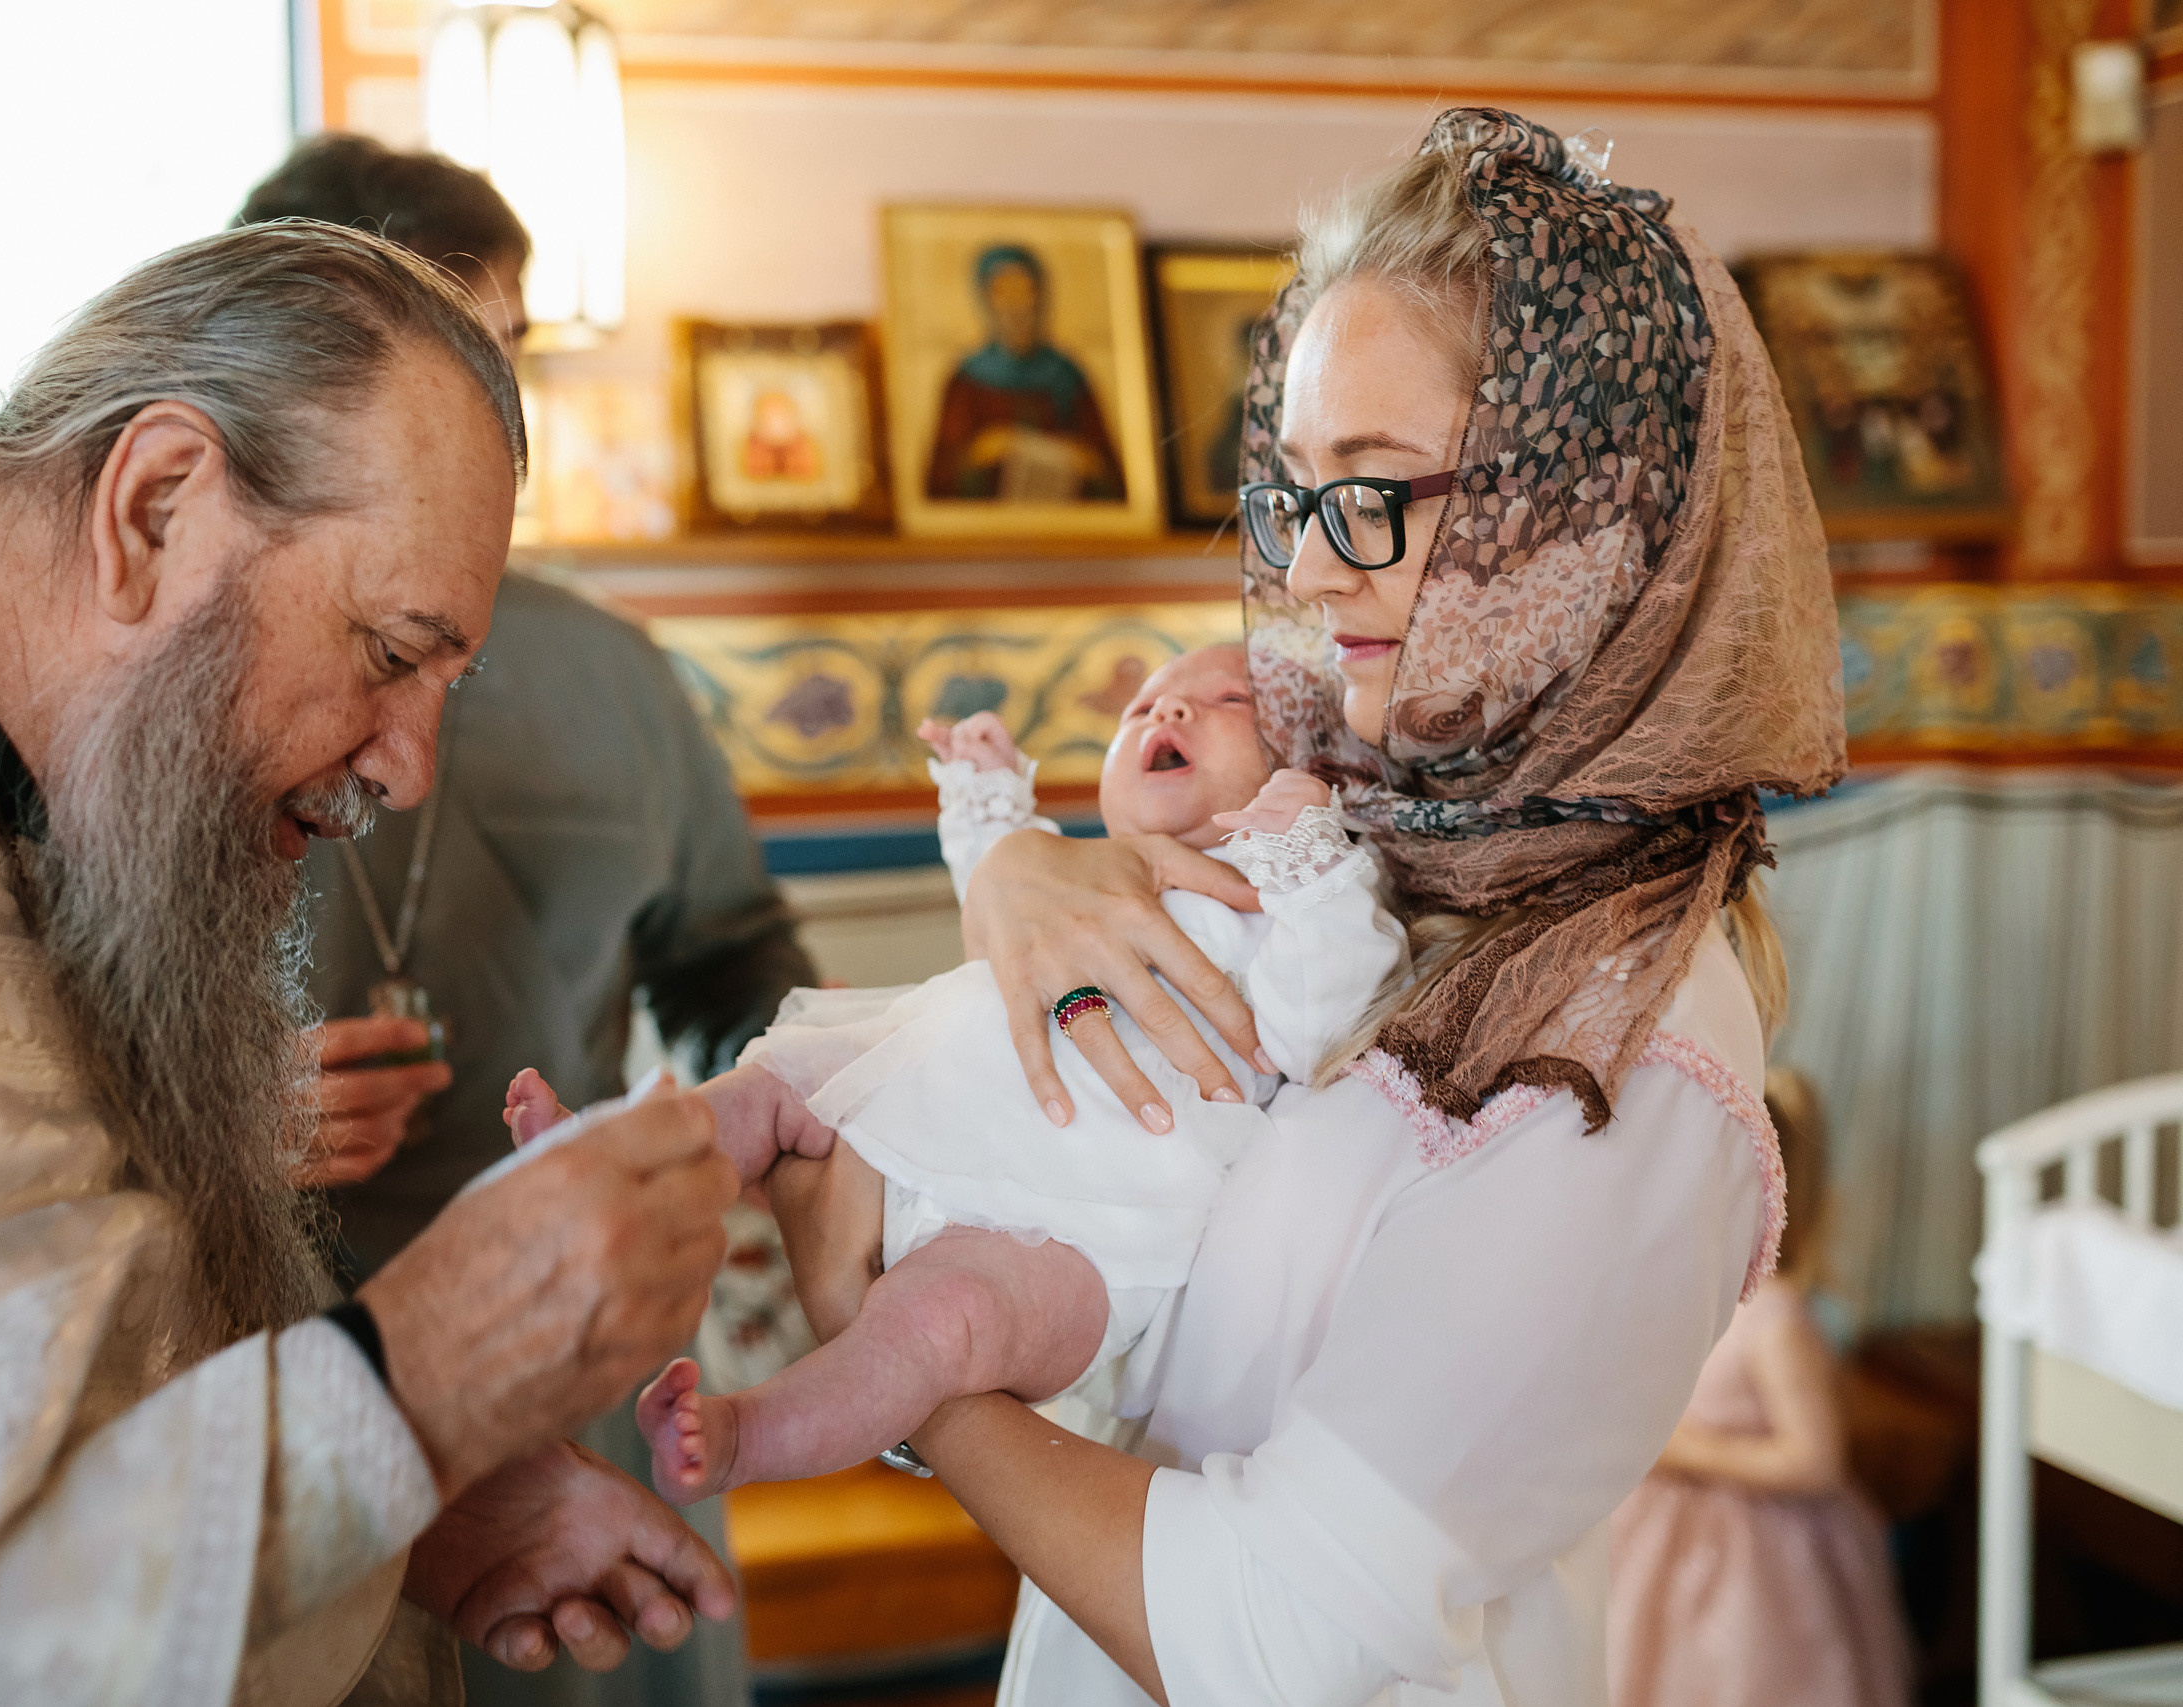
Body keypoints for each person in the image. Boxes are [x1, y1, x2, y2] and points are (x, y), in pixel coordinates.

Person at [717, 108, 1849, 1705]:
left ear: (1593, 520)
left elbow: (1280, 1632)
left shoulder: (1629, 1061)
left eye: (1378, 490)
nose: (1316, 575)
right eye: (1298, 494)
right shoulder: (1388, 830)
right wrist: (1033, 875)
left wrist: (896, 1354)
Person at [0, 223, 759, 1704]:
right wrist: (415, 1381)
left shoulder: (25, 807)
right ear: (153, 508)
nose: (408, 768)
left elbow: (36, 1401)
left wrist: (389, 1516)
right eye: (387, 651)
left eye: (443, 682)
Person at [236, 134, 812, 1707]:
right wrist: (222, 1122)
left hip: (587, 1358)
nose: (499, 420)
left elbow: (732, 950)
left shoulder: (613, 673)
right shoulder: (181, 671)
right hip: (286, 1361)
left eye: (509, 357)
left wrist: (738, 1111)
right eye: (448, 353)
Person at [609, 645, 1403, 1502]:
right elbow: (993, 890)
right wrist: (986, 794)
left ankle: (745, 1436)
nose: (1167, 712)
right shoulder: (1072, 867)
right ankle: (616, 1165)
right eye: (1143, 704)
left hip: (1078, 1228)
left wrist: (1311, 862)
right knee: (781, 1075)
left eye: (1225, 699)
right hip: (914, 1100)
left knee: (936, 1330)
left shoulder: (1268, 908)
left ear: (1316, 768)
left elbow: (1326, 1016)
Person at [1607, 1068, 1912, 1707]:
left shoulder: (1773, 1319)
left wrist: (1680, 1451)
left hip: (1757, 1556)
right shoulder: (1686, 1293)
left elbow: (1815, 1461)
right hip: (1661, 1529)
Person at [924, 244, 1127, 503]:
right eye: (1004, 293)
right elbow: (939, 481)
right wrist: (984, 450)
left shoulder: (1068, 375)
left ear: (1040, 296)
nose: (1016, 306)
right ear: (985, 300)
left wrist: (1080, 458)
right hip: (985, 531)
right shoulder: (967, 379)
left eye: (1024, 292)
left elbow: (1109, 476)